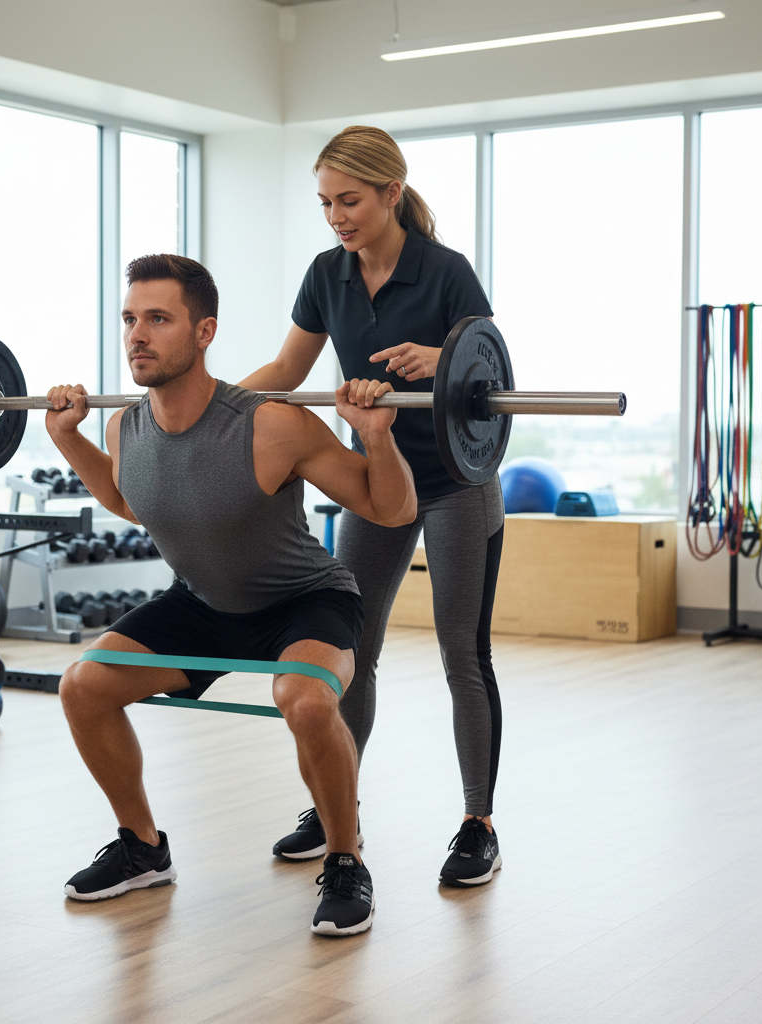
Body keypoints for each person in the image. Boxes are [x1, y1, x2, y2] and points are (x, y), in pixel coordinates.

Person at [46, 253, 416, 937]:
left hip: (304, 601)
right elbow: (133, 501)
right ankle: (142, 848)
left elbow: (388, 509)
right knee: (83, 686)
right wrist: (69, 440)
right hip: (205, 605)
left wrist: (376, 440)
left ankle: (343, 858)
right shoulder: (125, 427)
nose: (137, 335)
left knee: (304, 700)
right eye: (130, 318)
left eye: (158, 319)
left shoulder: (270, 424)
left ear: (204, 331)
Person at [240, 125, 504, 888]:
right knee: (351, 653)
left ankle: (476, 823)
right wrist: (213, 400)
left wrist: (444, 360)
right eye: (325, 203)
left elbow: (487, 368)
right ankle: (335, 811)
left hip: (457, 481)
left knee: (463, 653)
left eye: (349, 200)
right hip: (377, 482)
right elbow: (290, 368)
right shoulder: (328, 275)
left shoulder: (445, 271)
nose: (336, 217)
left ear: (392, 192)